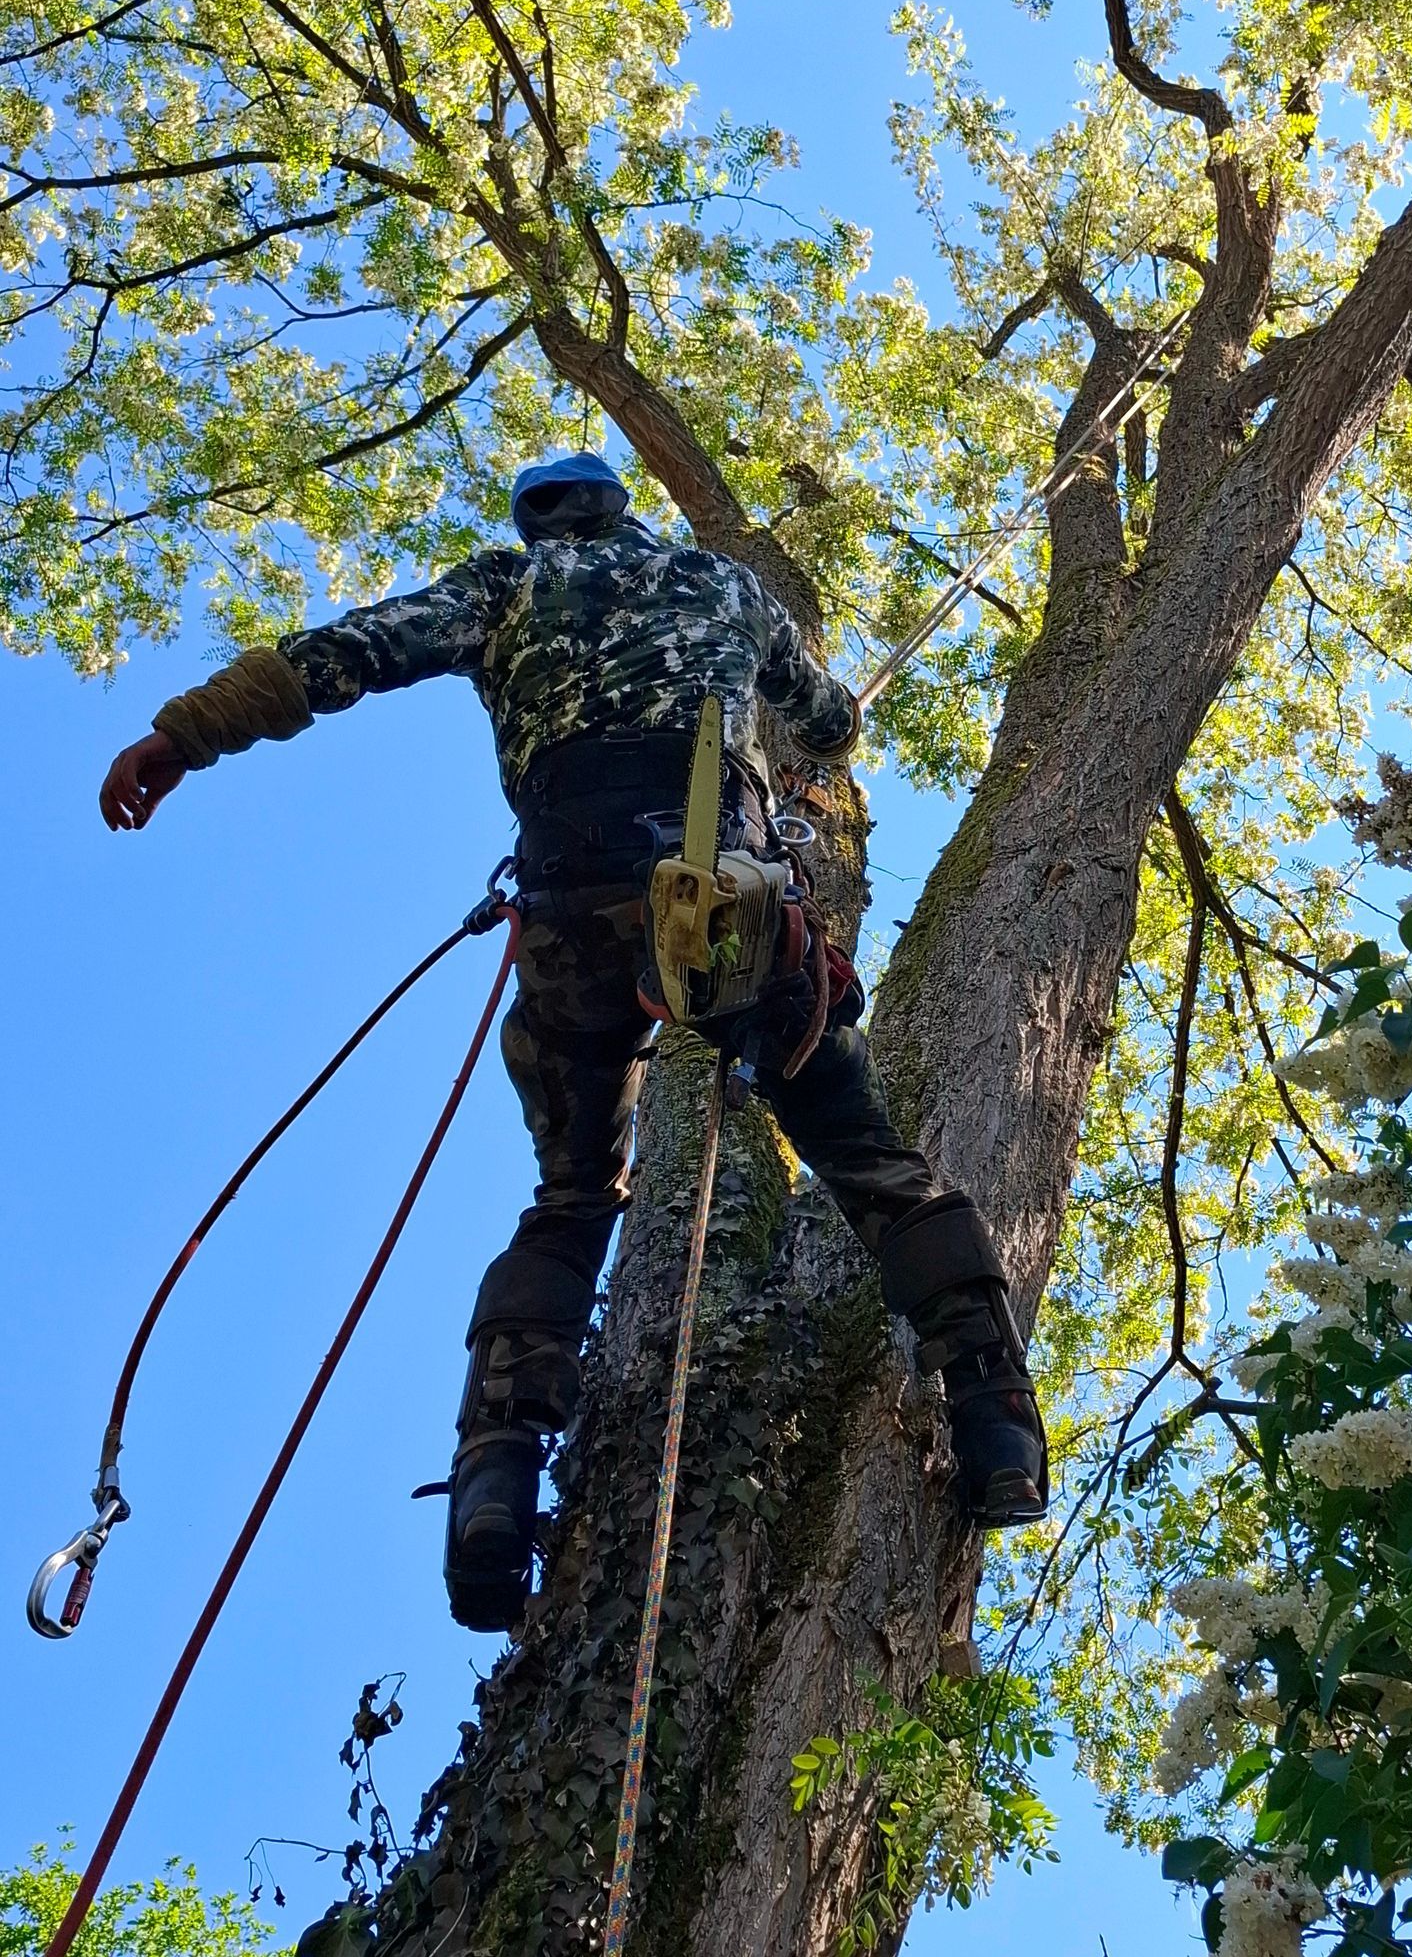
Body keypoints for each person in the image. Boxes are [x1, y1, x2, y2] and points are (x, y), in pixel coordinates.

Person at [100, 450, 1047, 1627]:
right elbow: (832, 722)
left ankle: (497, 1474)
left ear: (541, 526)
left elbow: (351, 652)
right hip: (719, 891)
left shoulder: (506, 588)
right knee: (865, 1155)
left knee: (574, 1192)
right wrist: (811, 741)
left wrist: (184, 735)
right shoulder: (723, 585)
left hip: (566, 913)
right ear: (621, 513)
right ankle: (994, 1410)